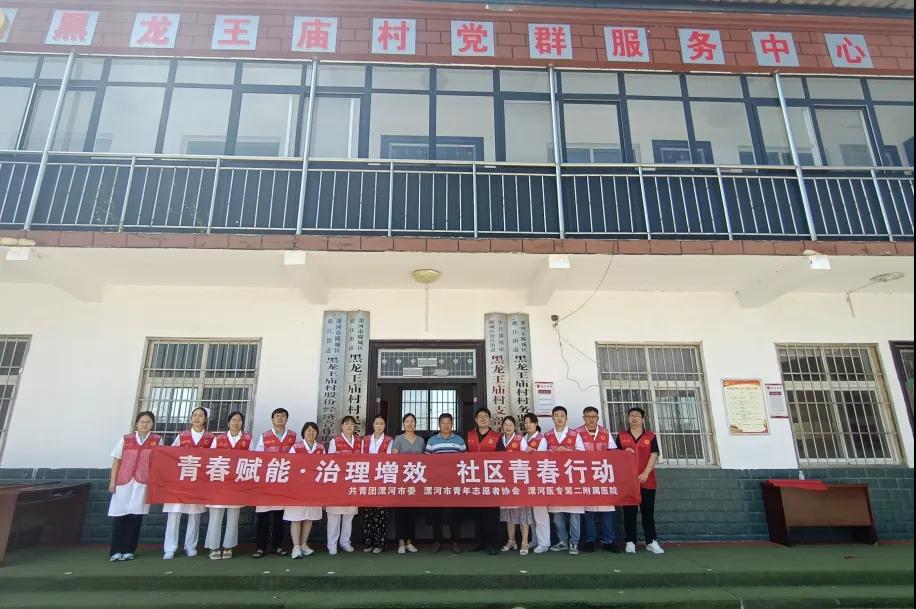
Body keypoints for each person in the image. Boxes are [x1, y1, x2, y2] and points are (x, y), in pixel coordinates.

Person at [108, 411, 161, 562]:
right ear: (137, 423)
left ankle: (129, 550)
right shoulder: (126, 439)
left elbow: (158, 463)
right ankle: (115, 551)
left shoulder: (157, 440)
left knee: (136, 517)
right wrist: (112, 481)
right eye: (142, 421)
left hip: (142, 482)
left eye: (148, 422)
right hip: (124, 481)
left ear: (152, 424)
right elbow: (116, 460)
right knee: (120, 516)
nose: (145, 424)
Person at [163, 406, 214, 560]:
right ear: (191, 418)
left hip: (199, 481)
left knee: (195, 514)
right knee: (174, 513)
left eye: (201, 415)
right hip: (180, 480)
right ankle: (170, 548)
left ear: (205, 419)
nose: (197, 418)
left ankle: (190, 546)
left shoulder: (211, 438)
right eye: (195, 415)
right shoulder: (182, 436)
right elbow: (171, 455)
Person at [205, 411, 252, 560]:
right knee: (216, 516)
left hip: (237, 483)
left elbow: (253, 459)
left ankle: (228, 546)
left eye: (239, 420)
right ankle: (213, 547)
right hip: (219, 482)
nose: (236, 423)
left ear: (242, 423)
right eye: (233, 420)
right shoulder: (218, 439)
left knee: (233, 516)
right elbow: (210, 458)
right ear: (228, 423)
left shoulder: (248, 439)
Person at [252, 407, 297, 559]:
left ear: (287, 419)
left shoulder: (292, 436)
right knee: (263, 516)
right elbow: (258, 457)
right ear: (272, 419)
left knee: (279, 517)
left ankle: (278, 546)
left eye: (283, 416)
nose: (280, 418)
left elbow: (297, 458)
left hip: (284, 481)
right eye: (277, 416)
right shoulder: (265, 436)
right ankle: (260, 547)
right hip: (267, 481)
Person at [618, 407, 664, 555]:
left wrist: (645, 473)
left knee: (647, 512)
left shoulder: (650, 436)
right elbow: (615, 456)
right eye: (631, 415)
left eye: (637, 415)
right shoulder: (621, 436)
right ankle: (630, 541)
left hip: (647, 480)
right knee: (629, 513)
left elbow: (654, 455)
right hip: (628, 481)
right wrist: (623, 453)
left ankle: (651, 541)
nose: (634, 418)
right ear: (628, 418)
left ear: (643, 419)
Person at [576, 406, 622, 554]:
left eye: (593, 416)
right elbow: (576, 454)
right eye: (588, 416)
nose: (591, 419)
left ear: (597, 418)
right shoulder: (577, 433)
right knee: (588, 511)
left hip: (604, 476)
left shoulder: (605, 432)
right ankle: (590, 540)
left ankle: (609, 540)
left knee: (607, 510)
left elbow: (613, 452)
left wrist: (625, 453)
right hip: (586, 476)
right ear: (584, 418)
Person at [545, 406, 586, 556]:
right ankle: (562, 540)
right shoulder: (547, 435)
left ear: (566, 418)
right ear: (552, 418)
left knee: (574, 513)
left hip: (572, 478)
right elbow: (540, 455)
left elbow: (583, 453)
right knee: (557, 514)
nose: (559, 418)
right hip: (554, 478)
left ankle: (574, 542)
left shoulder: (574, 434)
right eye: (556, 415)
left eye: (562, 415)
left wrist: (567, 451)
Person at [424, 412, 466, 554]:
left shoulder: (459, 440)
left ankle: (455, 541)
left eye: (448, 422)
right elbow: (426, 462)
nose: (446, 425)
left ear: (452, 424)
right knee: (437, 513)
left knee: (455, 514)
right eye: (443, 423)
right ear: (439, 425)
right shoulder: (432, 441)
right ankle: (437, 541)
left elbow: (465, 461)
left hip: (454, 484)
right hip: (437, 483)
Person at [285, 422, 324, 559]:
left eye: (314, 431)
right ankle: (295, 547)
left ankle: (303, 544)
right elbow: (290, 465)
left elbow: (325, 465)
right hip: (298, 488)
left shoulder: (320, 448)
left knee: (309, 517)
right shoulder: (296, 447)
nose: (311, 433)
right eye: (308, 430)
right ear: (303, 432)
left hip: (314, 488)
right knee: (296, 518)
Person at [466, 407, 501, 555]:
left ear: (489, 419)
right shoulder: (469, 435)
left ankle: (492, 543)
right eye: (480, 416)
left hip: (492, 480)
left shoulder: (497, 436)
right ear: (476, 419)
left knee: (491, 513)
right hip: (474, 479)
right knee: (477, 512)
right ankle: (479, 541)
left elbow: (503, 458)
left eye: (485, 416)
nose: (483, 418)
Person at [497, 416, 533, 555]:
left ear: (514, 427)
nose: (507, 427)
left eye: (510, 425)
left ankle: (524, 541)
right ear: (502, 427)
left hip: (519, 480)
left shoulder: (520, 439)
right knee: (509, 514)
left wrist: (529, 451)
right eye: (505, 425)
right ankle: (511, 541)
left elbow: (527, 456)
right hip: (504, 481)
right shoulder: (499, 440)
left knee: (522, 512)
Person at [391, 413, 425, 554]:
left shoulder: (421, 440)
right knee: (401, 512)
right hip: (401, 481)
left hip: (416, 481)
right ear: (403, 424)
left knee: (412, 512)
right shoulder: (398, 439)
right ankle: (400, 542)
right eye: (407, 421)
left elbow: (425, 460)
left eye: (412, 421)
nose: (409, 424)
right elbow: (394, 459)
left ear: (415, 424)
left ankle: (409, 541)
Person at [326, 415, 360, 555]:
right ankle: (332, 544)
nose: (349, 426)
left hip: (353, 481)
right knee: (334, 515)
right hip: (338, 482)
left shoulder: (359, 441)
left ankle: (345, 542)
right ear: (342, 426)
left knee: (349, 515)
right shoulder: (335, 441)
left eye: (352, 423)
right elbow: (330, 462)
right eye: (346, 423)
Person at [360, 415, 394, 554]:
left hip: (382, 479)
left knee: (381, 513)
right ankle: (369, 542)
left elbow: (389, 459)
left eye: (381, 423)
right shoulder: (365, 440)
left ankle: (380, 543)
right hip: (367, 480)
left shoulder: (389, 440)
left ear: (384, 426)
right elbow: (362, 458)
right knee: (368, 513)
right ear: (373, 425)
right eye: (377, 423)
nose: (379, 426)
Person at [522, 413, 551, 555]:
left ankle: (544, 543)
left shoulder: (541, 439)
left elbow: (543, 458)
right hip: (525, 478)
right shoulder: (523, 438)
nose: (528, 425)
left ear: (536, 423)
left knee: (540, 513)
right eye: (526, 422)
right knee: (530, 514)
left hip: (538, 479)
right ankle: (534, 539)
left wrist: (533, 452)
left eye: (530, 422)